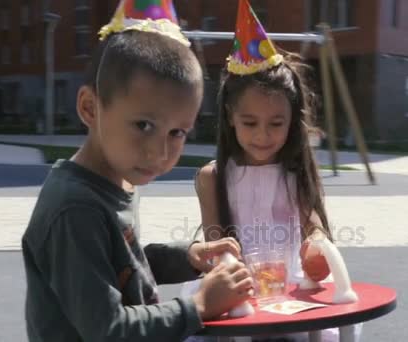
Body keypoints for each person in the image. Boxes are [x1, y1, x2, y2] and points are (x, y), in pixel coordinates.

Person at [21, 1, 252, 341]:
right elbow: (108, 329)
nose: (159, 152)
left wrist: (186, 258)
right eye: (143, 125)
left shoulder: (113, 181)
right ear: (90, 108)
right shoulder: (75, 209)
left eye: (177, 133)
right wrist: (199, 304)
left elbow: (125, 267)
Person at [183, 1, 360, 341]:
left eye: (276, 123)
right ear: (230, 118)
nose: (262, 135)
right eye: (250, 123)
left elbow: (315, 229)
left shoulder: (295, 173)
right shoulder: (213, 178)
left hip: (288, 290)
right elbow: (215, 248)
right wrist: (216, 267)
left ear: (292, 122)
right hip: (236, 292)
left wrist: (316, 247)